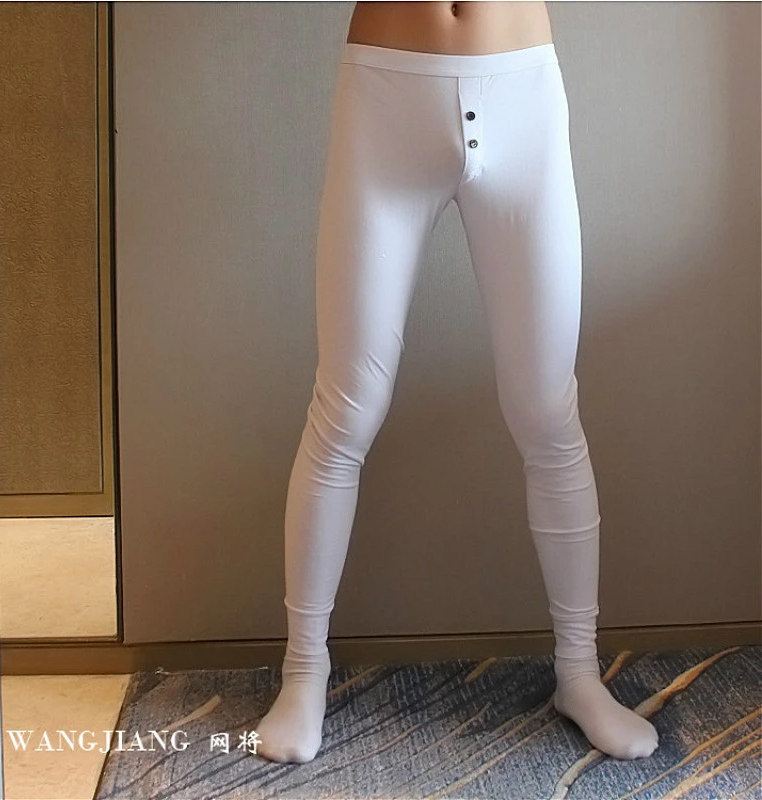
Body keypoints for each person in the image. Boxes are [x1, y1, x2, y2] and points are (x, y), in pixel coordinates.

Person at [254, 1, 660, 764]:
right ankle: (302, 671)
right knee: (346, 410)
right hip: (387, 92)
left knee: (547, 411)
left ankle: (578, 674)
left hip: (522, 89)